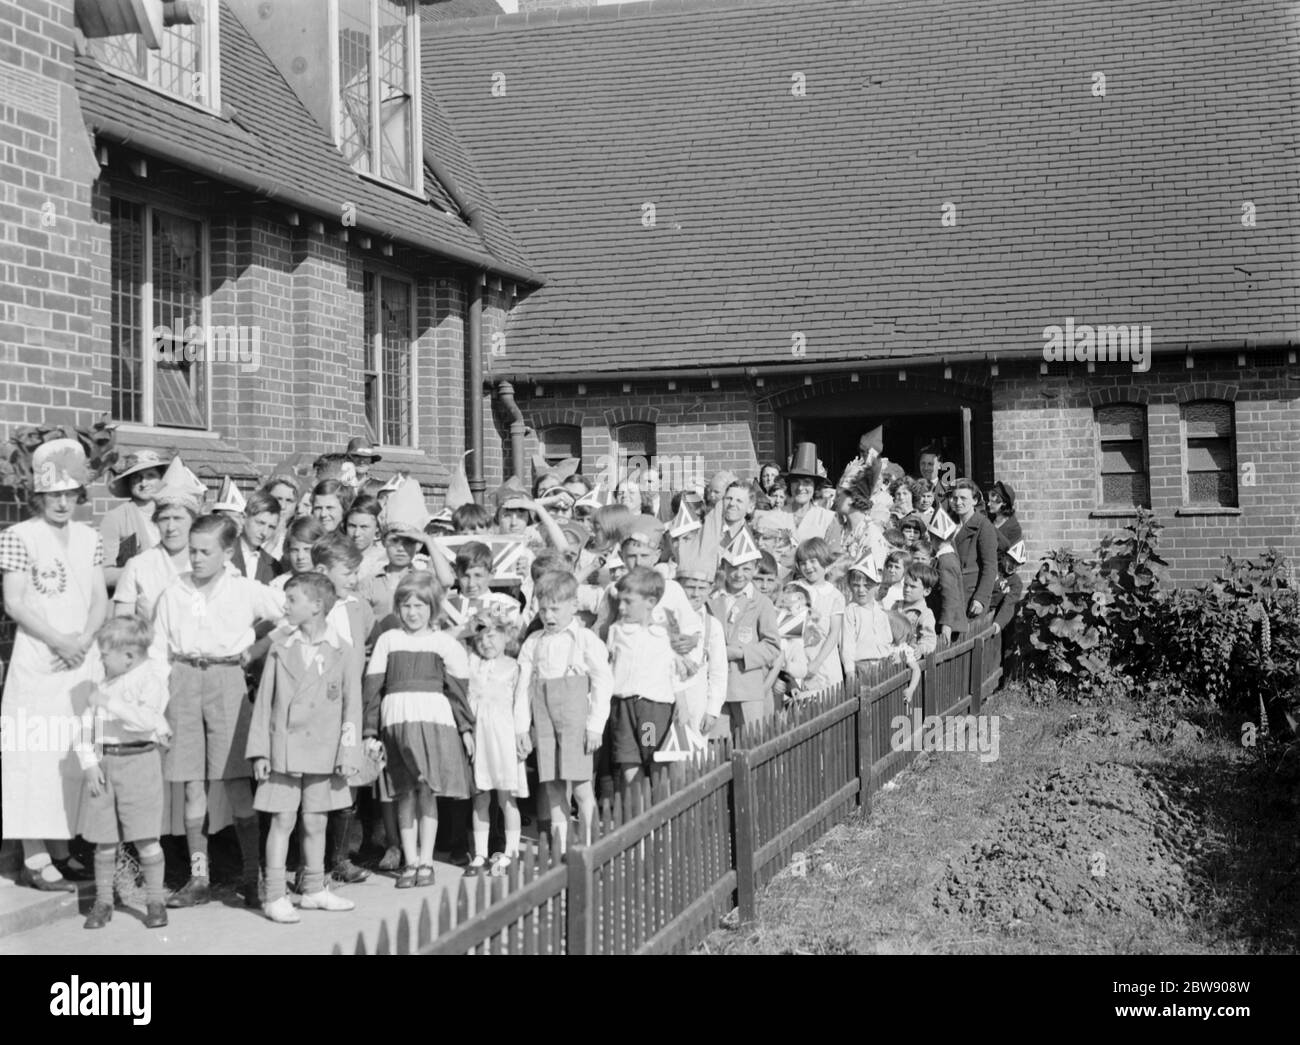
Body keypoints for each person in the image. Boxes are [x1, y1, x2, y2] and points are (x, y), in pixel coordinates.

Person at [150, 514, 285, 908]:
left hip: (228, 683)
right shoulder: (173, 592)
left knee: (236, 782)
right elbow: (158, 652)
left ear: (228, 553)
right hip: (184, 680)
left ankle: (250, 876)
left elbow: (292, 615)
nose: (196, 558)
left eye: (205, 551)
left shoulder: (245, 590)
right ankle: (198, 878)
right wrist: (159, 708)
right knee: (192, 784)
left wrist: (258, 648)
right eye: (192, 550)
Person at [1, 437, 110, 891]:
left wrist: (83, 639)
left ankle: (65, 848)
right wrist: (58, 640)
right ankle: (35, 856)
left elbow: (99, 598)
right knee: (33, 757)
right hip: (39, 662)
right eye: (53, 495)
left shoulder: (90, 537)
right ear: (38, 496)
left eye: (69, 494)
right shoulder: (18, 537)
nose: (62, 503)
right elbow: (14, 602)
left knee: (76, 752)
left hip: (83, 659)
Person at [247, 572, 360, 923]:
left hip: (325, 750)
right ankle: (275, 894)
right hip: (283, 749)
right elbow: (264, 703)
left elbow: (351, 705)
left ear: (317, 605)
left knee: (316, 821)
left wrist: (348, 752)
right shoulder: (281, 648)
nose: (286, 605)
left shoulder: (343, 649)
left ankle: (313, 889)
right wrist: (261, 751)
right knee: (282, 819)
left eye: (293, 599)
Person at [363, 571, 474, 888]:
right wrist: (369, 733)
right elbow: (373, 690)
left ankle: (426, 860)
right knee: (403, 793)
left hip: (433, 722)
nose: (413, 613)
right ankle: (409, 860)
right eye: (407, 606)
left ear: (433, 608)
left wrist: (466, 730)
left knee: (427, 790)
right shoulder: (389, 640)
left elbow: (457, 692)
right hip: (396, 723)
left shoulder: (443, 644)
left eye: (420, 606)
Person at [75, 616, 172, 929]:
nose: (101, 660)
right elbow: (86, 729)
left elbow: (144, 721)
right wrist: (89, 762)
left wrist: (109, 703)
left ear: (129, 656)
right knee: (104, 840)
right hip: (105, 764)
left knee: (145, 838)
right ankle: (104, 901)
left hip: (139, 763)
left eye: (105, 655)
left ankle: (155, 901)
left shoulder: (150, 681)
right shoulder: (103, 686)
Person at [514, 570, 613, 853]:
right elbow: (523, 687)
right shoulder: (534, 642)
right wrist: (522, 728)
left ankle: (593, 847)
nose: (549, 616)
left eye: (555, 609)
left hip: (575, 722)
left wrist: (595, 725)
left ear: (573, 605)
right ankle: (560, 850)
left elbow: (603, 681)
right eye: (543, 609)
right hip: (544, 722)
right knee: (553, 787)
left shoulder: (584, 640)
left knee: (581, 788)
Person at [311, 531, 375, 885]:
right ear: (322, 570)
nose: (354, 579)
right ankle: (311, 861)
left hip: (348, 707)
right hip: (316, 707)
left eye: (356, 572)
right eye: (347, 572)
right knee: (315, 779)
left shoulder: (357, 607)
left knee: (347, 777)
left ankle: (340, 857)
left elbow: (366, 648)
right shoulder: (311, 604)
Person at [607, 567, 679, 799]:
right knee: (628, 761)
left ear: (650, 602)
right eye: (620, 602)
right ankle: (642, 819)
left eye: (628, 602)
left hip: (652, 708)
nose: (621, 608)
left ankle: (662, 820)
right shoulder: (616, 631)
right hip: (622, 707)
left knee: (654, 760)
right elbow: (609, 667)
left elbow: (679, 671)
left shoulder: (667, 630)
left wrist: (683, 708)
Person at [464, 617, 527, 877]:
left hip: (503, 735)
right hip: (479, 735)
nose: (485, 643)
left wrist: (521, 734)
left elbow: (521, 702)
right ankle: (480, 853)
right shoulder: (472, 663)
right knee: (480, 795)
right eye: (480, 638)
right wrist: (473, 626)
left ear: (505, 637)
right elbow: (456, 641)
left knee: (506, 797)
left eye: (491, 636)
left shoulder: (515, 667)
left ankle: (510, 852)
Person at [706, 532, 780, 734]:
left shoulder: (761, 603)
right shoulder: (711, 600)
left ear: (755, 569)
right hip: (716, 688)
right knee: (717, 746)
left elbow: (772, 646)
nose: (739, 574)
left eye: (746, 569)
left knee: (751, 742)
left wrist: (740, 653)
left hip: (747, 687)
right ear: (723, 567)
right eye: (733, 568)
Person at [673, 553, 729, 735]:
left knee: (694, 754)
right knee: (653, 746)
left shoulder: (712, 625)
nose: (695, 593)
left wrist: (712, 710)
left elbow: (718, 671)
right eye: (689, 587)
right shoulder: (664, 617)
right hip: (663, 697)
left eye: (701, 588)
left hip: (696, 699)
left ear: (710, 589)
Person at [100, 449, 168, 588]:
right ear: (129, 483)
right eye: (137, 477)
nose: (144, 483)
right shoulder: (116, 518)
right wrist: (141, 573)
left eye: (150, 475)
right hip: (133, 599)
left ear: (161, 479)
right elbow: (103, 574)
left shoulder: (172, 514)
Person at [793, 537, 845, 696]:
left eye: (813, 561)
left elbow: (834, 632)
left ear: (824, 562)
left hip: (824, 659)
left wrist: (816, 663)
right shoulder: (794, 589)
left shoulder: (835, 595)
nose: (808, 567)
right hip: (799, 657)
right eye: (803, 563)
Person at [949, 479, 999, 626]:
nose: (958, 502)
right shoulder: (950, 524)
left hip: (970, 596)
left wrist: (981, 598)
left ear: (975, 500)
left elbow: (990, 566)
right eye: (955, 498)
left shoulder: (983, 526)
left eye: (963, 498)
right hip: (951, 591)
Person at [783, 443, 836, 545]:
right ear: (789, 484)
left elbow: (833, 557)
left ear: (815, 486)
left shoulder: (828, 520)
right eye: (795, 481)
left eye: (807, 482)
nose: (800, 487)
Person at [230, 490, 283, 584]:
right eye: (260, 523)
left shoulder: (274, 566)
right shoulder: (222, 552)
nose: (264, 532)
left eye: (271, 527)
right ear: (243, 518)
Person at [898, 562, 939, 657]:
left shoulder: (925, 614)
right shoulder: (895, 606)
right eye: (905, 585)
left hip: (908, 663)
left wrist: (920, 649)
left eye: (913, 587)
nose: (907, 589)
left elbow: (929, 640)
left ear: (926, 591)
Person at [259, 474, 300, 563]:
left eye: (289, 501)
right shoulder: (253, 532)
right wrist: (272, 542)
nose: (283, 506)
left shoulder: (299, 535)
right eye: (278, 499)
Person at [345, 496, 387, 579]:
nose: (356, 534)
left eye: (364, 527)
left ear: (377, 528)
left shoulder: (384, 561)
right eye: (352, 526)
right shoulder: (337, 555)